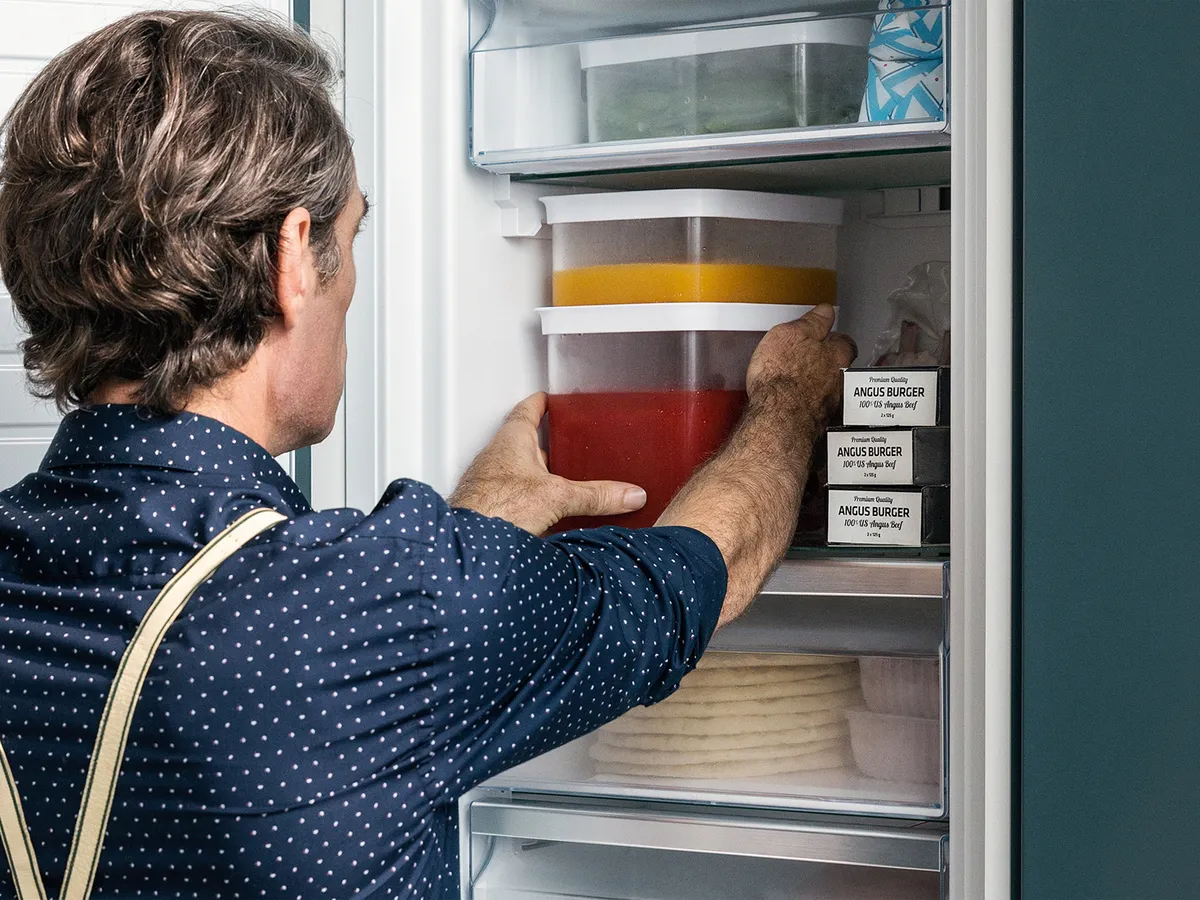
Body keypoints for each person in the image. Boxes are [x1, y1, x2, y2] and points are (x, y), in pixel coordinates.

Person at [0, 10, 855, 900]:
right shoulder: (399, 600)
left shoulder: (380, 601)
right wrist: (789, 399)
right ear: (295, 259)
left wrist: (471, 536)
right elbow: (697, 576)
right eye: (354, 233)